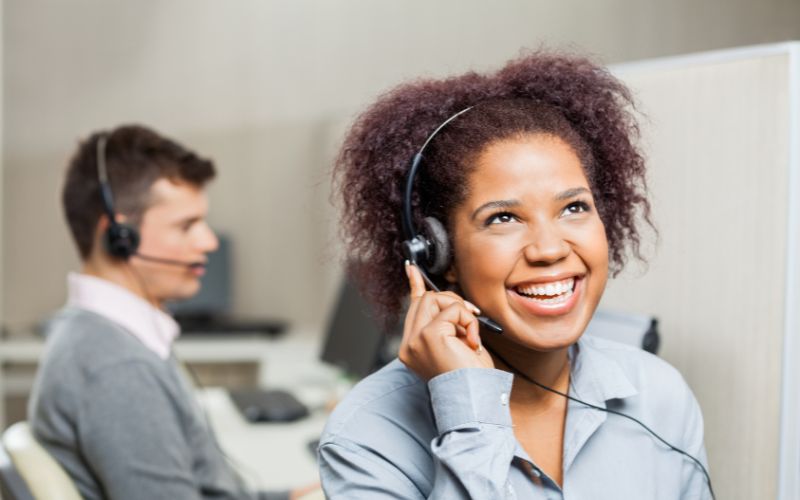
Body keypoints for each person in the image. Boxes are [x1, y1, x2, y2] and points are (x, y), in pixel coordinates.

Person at [319, 51, 712, 499]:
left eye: (574, 208)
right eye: (503, 218)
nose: (549, 249)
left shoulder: (658, 395)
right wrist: (467, 411)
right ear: (437, 253)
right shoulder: (367, 437)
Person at [28, 125, 318, 500]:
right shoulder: (115, 366)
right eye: (187, 225)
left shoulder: (103, 337)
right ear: (118, 237)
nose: (209, 242)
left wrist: (295, 496)